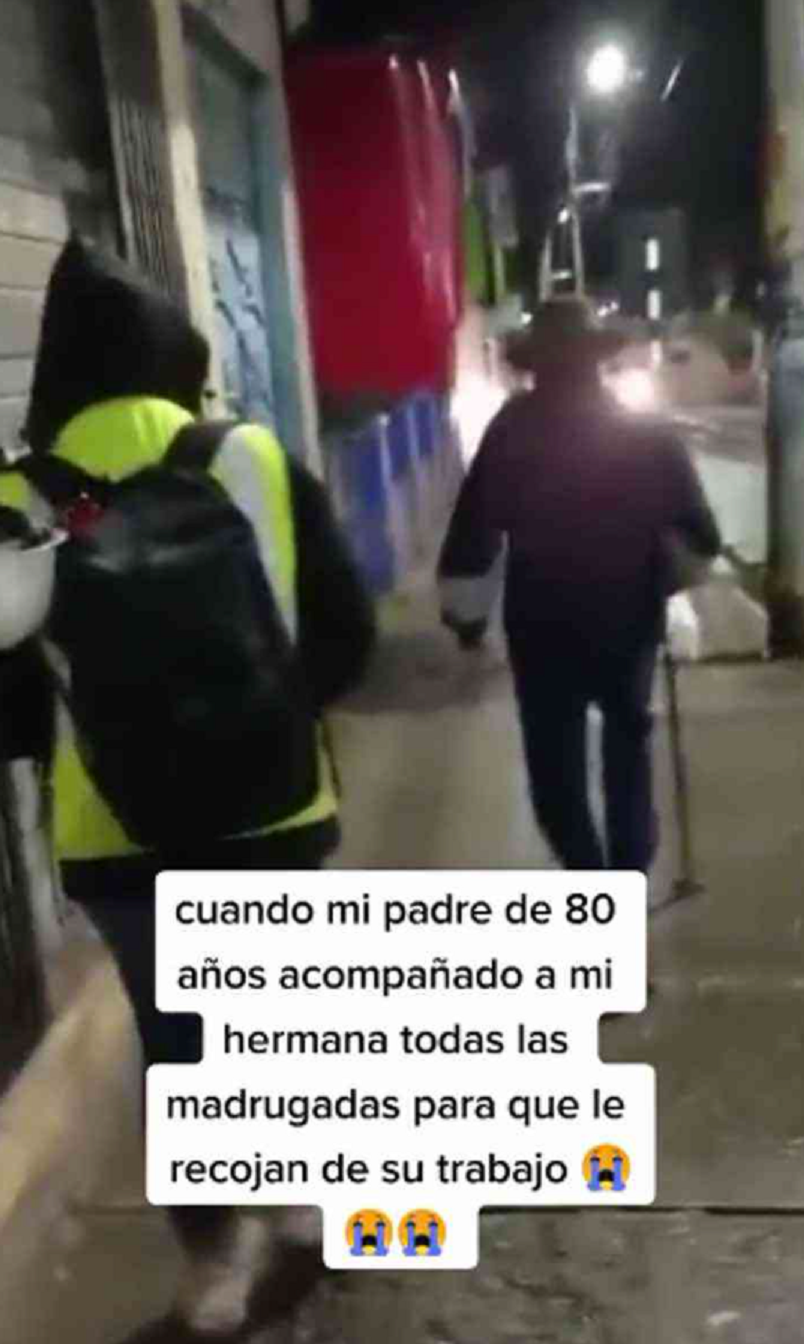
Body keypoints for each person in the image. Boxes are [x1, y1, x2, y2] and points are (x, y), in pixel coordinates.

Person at [0, 235, 375, 1339]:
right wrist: (268, 713)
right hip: (275, 816)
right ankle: (305, 1213)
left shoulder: (20, 495)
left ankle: (215, 1270)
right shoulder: (252, 458)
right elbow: (346, 640)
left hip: (120, 839)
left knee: (181, 1045)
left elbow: (13, 706)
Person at [439, 296, 721, 874]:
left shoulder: (512, 430)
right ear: (597, 361)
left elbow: (474, 531)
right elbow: (701, 537)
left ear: (535, 364)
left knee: (554, 766)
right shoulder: (644, 433)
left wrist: (466, 619)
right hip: (628, 616)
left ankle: (587, 876)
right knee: (628, 748)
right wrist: (663, 577)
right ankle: (627, 876)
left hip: (541, 622)